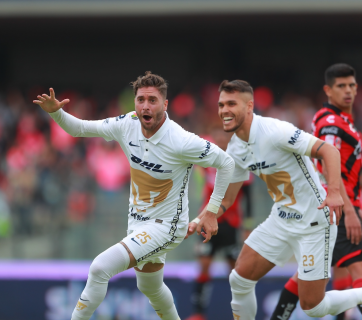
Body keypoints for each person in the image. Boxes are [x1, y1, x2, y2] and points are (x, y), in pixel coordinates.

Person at [33, 71, 235, 320]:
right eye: (141, 100)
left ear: (165, 104)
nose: (145, 106)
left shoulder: (182, 141)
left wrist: (211, 211)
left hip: (166, 227)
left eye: (152, 100)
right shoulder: (127, 124)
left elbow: (226, 163)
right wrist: (56, 112)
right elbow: (80, 129)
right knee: (149, 286)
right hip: (138, 224)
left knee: (99, 268)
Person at [187, 79, 362, 320]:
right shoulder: (236, 148)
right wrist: (205, 216)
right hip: (281, 219)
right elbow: (227, 198)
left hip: (314, 223)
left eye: (231, 104)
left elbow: (329, 151)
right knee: (239, 278)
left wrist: (335, 192)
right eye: (221, 104)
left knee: (312, 307)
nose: (224, 110)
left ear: (249, 106)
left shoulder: (276, 131)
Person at [269, 63, 362, 320]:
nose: (348, 91)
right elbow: (330, 170)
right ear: (328, 90)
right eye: (341, 86)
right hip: (336, 209)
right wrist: (350, 211)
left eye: (351, 85)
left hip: (332, 209)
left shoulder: (346, 125)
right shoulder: (331, 123)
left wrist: (357, 208)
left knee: (317, 273)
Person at [185, 130, 253, 320]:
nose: (222, 142)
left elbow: (248, 197)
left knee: (235, 272)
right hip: (207, 220)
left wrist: (247, 226)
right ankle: (198, 314)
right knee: (204, 266)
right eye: (219, 139)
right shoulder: (207, 163)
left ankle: (240, 312)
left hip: (230, 223)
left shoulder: (239, 163)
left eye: (225, 139)